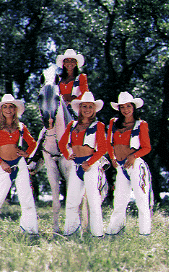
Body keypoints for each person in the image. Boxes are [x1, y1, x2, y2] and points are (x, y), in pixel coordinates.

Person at [0, 94, 38, 235]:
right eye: (5, 107)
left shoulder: (21, 127)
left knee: (26, 198)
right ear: (1, 110)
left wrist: (26, 153)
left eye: (11, 107)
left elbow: (33, 143)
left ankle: (30, 230)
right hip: (4, 166)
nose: (8, 109)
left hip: (20, 165)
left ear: (15, 110)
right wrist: (1, 163)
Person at [58, 92, 107, 237]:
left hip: (91, 166)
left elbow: (102, 148)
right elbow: (62, 143)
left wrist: (90, 162)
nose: (87, 109)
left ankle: (97, 234)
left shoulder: (98, 126)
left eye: (90, 106)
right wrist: (68, 155)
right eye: (84, 106)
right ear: (79, 108)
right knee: (72, 201)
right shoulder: (72, 125)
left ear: (94, 109)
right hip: (76, 166)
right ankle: (70, 232)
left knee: (93, 201)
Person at [106, 91, 153, 236]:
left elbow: (147, 147)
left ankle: (145, 233)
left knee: (141, 199)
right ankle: (114, 230)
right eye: (122, 107)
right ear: (119, 109)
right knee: (119, 200)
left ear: (134, 107)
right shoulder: (114, 123)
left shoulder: (141, 125)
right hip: (121, 167)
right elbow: (109, 143)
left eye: (128, 106)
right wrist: (112, 158)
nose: (125, 109)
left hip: (136, 166)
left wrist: (134, 156)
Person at [56, 49, 89, 117]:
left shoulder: (81, 77)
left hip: (76, 107)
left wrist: (72, 102)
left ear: (76, 63)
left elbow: (85, 93)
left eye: (72, 61)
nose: (69, 63)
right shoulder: (58, 78)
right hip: (61, 106)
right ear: (63, 64)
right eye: (67, 61)